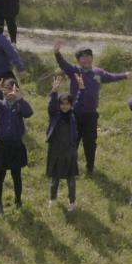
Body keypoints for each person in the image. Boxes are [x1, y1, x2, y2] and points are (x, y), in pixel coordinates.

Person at [53, 39, 131, 176]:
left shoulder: (98, 73)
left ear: (92, 58)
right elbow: (63, 64)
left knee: (90, 142)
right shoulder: (74, 71)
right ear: (78, 61)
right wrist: (57, 53)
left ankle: (90, 167)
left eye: (89, 58)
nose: (87, 61)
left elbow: (111, 77)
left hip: (91, 115)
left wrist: (124, 75)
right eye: (83, 58)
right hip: (75, 113)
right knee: (73, 141)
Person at [0, 76, 33, 213]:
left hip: (16, 146)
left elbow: (29, 113)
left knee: (16, 175)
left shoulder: (20, 106)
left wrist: (20, 98)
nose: (10, 93)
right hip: (2, 146)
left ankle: (18, 199)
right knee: (0, 176)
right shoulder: (0, 106)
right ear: (3, 91)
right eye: (7, 89)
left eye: (13, 90)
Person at [46, 73, 84, 211]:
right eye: (62, 104)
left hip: (69, 151)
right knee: (54, 179)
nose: (64, 106)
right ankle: (52, 199)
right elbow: (51, 106)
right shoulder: (55, 114)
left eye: (67, 104)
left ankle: (72, 202)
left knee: (71, 179)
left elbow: (80, 102)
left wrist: (81, 88)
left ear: (71, 105)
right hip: (56, 150)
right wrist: (54, 92)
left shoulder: (74, 115)